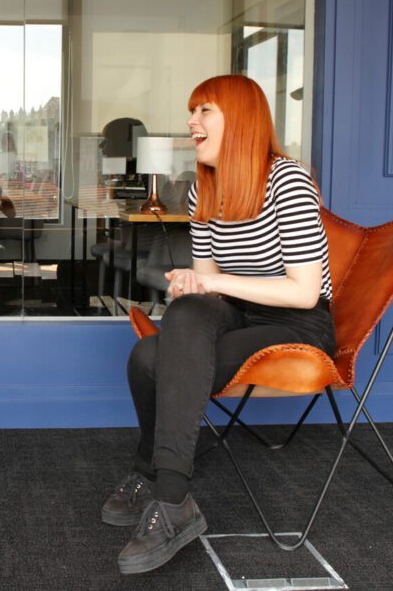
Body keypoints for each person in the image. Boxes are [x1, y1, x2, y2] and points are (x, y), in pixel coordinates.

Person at [102, 75, 335, 575]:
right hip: (238, 313)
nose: (192, 122)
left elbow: (303, 291)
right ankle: (167, 489)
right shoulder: (202, 190)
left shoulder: (286, 180)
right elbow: (211, 286)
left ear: (242, 119)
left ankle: (166, 493)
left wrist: (211, 284)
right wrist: (191, 284)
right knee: (169, 330)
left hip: (296, 325)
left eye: (204, 110)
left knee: (153, 357)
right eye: (193, 111)